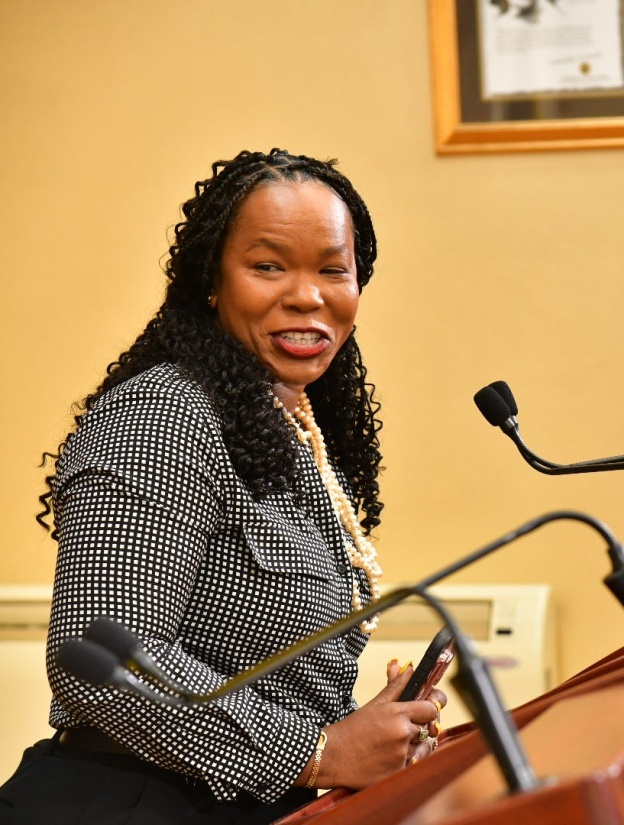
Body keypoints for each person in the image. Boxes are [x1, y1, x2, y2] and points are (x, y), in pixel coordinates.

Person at [0, 149, 446, 823]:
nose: (307, 293)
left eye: (333, 269)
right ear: (212, 280)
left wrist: (369, 734)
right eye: (268, 265)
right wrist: (317, 751)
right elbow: (96, 652)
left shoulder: (290, 427)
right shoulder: (163, 414)